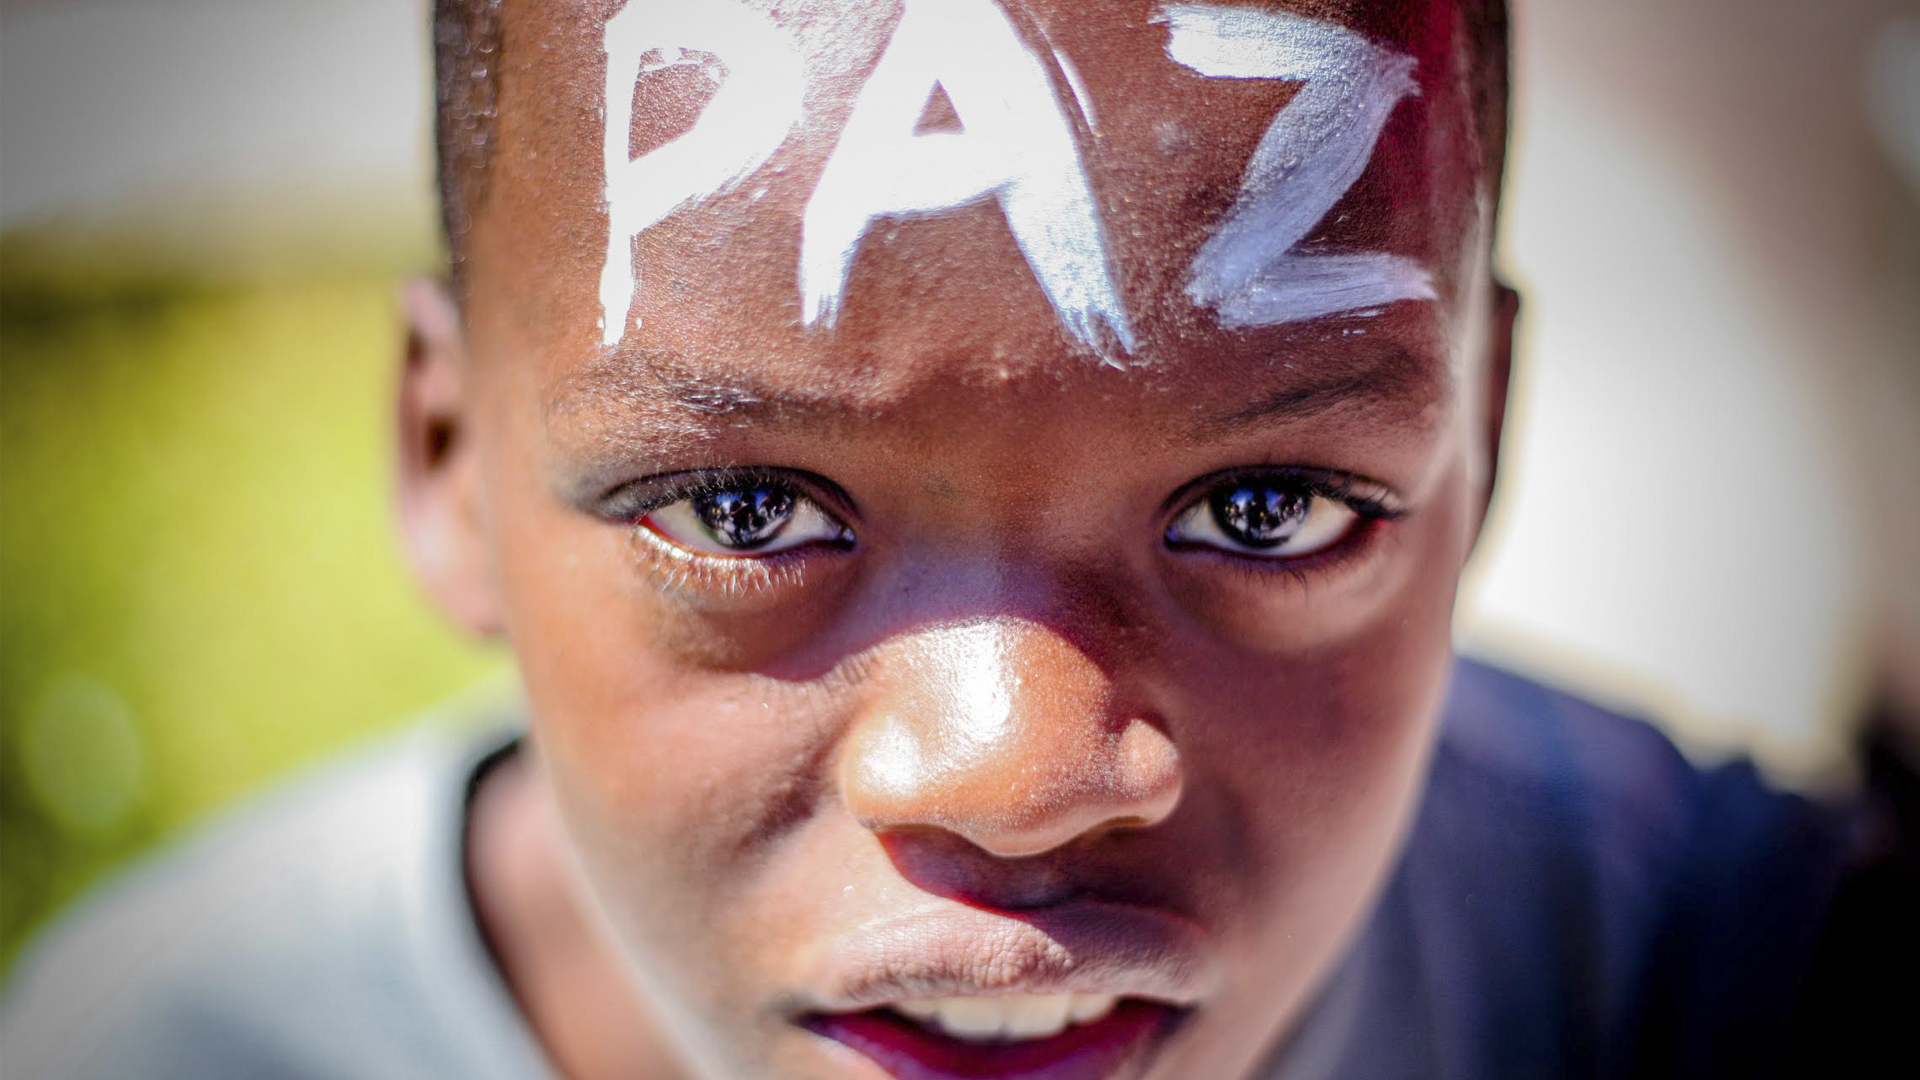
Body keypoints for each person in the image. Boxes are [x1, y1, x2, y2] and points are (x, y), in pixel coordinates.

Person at [0, 1, 1846, 1078]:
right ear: (448, 460)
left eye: (1265, 509)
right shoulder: (166, 1047)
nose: (1019, 771)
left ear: (1485, 439)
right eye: (745, 508)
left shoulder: (1686, 963)